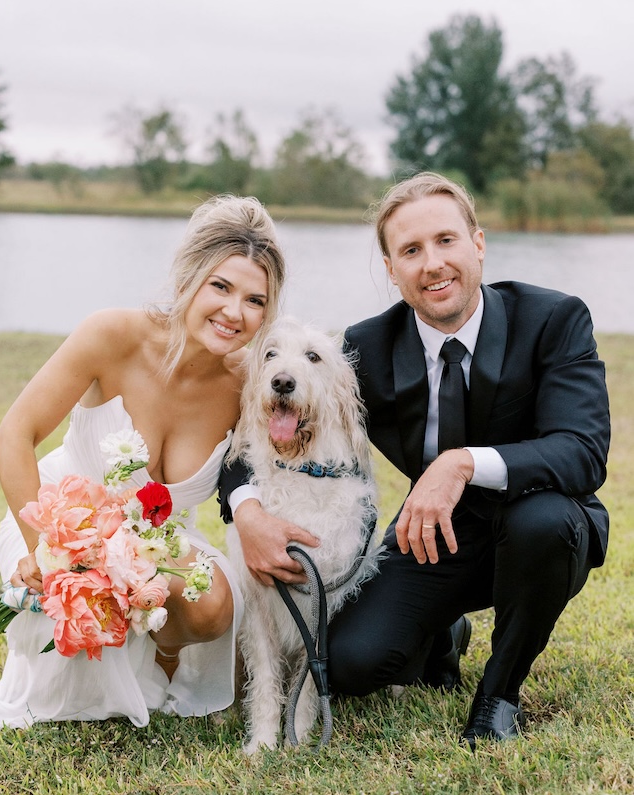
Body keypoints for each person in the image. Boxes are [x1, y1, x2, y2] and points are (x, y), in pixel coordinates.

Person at [220, 172, 610, 748]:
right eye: (411, 250)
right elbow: (253, 431)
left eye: (446, 241)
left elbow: (583, 451)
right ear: (390, 268)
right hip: (434, 537)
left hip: (544, 530)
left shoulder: (553, 320)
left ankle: (499, 694)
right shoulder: (368, 349)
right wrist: (248, 512)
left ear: (477, 243)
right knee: (350, 664)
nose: (433, 264)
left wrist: (461, 464)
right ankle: (443, 634)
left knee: (541, 523)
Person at [0, 194, 286, 730]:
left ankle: (166, 658)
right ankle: (129, 650)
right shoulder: (113, 334)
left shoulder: (248, 383)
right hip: (62, 527)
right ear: (190, 277)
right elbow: (12, 436)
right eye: (221, 286)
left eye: (255, 301)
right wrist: (46, 553)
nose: (235, 312)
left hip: (159, 547)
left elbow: (266, 463)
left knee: (213, 607)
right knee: (80, 659)